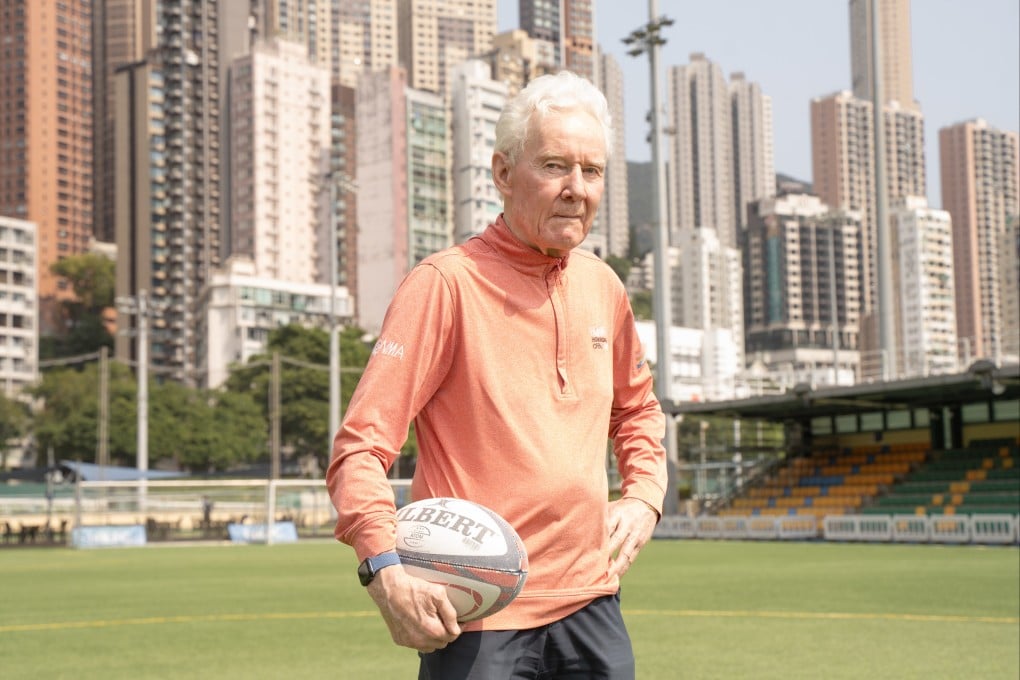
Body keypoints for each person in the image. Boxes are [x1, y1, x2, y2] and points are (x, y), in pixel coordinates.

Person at [326, 70, 668, 679]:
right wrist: (383, 569)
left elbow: (637, 411)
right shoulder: (444, 284)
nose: (575, 189)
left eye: (591, 172)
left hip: (592, 601)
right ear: (504, 173)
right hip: (479, 608)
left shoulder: (604, 286)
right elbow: (360, 447)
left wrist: (644, 496)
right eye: (555, 165)